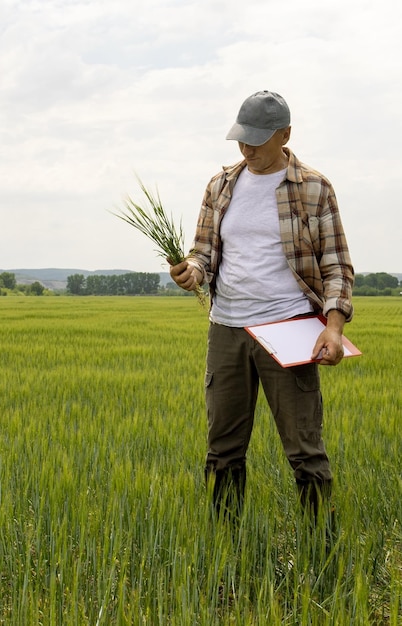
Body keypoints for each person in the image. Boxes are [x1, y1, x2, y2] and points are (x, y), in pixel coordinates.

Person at [169, 90, 354, 524]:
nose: (247, 148)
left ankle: (319, 547)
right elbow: (203, 253)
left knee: (305, 448)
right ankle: (225, 547)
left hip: (288, 330)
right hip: (227, 329)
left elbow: (337, 265)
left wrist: (334, 327)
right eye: (241, 138)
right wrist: (192, 272)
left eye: (257, 138)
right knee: (223, 449)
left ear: (285, 134)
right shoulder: (221, 185)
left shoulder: (313, 188)